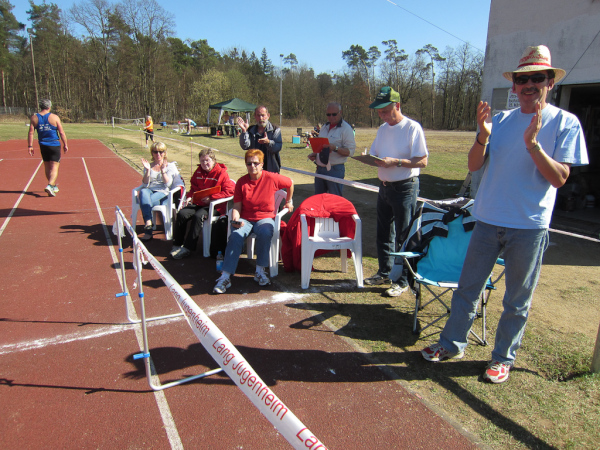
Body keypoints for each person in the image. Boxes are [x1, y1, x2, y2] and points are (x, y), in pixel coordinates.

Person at [421, 45, 588, 384]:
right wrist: (482, 136)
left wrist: (533, 144)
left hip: (529, 227)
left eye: (537, 78)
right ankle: (451, 344)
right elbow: (473, 165)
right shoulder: (499, 120)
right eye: (522, 79)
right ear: (514, 85)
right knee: (467, 289)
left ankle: (502, 359)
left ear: (550, 82)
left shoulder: (566, 122)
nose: (529, 85)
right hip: (486, 221)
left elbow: (559, 178)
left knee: (516, 300)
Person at [363, 87, 429, 297]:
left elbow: (423, 161)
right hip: (384, 187)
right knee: (383, 234)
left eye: (385, 111)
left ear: (397, 106)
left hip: (405, 188)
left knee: (404, 235)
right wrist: (371, 159)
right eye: (379, 111)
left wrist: (397, 162)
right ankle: (384, 272)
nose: (381, 115)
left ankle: (403, 280)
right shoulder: (383, 129)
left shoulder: (412, 127)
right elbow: (375, 153)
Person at [213, 149, 294, 294]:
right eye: (249, 163)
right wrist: (235, 219)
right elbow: (237, 206)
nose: (252, 166)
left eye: (256, 163)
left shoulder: (271, 178)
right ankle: (225, 276)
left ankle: (260, 271)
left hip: (265, 217)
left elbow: (290, 183)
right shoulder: (241, 182)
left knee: (265, 232)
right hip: (245, 218)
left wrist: (289, 201)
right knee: (235, 235)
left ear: (262, 164)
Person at [170, 148, 235, 259]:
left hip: (215, 206)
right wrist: (189, 196)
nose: (205, 163)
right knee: (181, 214)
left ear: (213, 160)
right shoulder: (198, 171)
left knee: (198, 216)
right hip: (199, 203)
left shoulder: (222, 173)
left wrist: (212, 198)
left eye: (207, 160)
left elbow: (229, 191)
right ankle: (177, 244)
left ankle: (188, 248)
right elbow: (193, 188)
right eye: (202, 161)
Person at [307, 102, 355, 196]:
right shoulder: (324, 127)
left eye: (334, 114)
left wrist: (335, 148)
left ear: (340, 112)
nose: (331, 117)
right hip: (320, 169)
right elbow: (321, 147)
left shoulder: (346, 129)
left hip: (335, 169)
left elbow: (351, 152)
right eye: (328, 114)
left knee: (335, 200)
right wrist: (315, 155)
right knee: (318, 199)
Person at [138, 142, 182, 241]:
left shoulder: (170, 166)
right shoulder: (149, 165)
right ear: (152, 153)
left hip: (164, 192)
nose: (158, 154)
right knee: (143, 192)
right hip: (150, 191)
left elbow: (168, 185)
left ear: (165, 153)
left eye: (161, 152)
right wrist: (147, 170)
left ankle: (148, 231)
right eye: (155, 152)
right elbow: (145, 184)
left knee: (144, 202)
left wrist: (163, 171)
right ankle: (148, 222)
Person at [27, 99, 69, 197]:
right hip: (54, 144)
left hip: (43, 145)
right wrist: (65, 144)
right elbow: (61, 132)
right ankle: (50, 185)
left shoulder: (34, 118)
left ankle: (53, 185)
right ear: (49, 107)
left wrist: (30, 146)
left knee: (46, 165)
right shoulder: (54, 117)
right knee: (54, 165)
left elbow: (31, 133)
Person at [237, 106, 283, 173]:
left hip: (271, 169)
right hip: (254, 169)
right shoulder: (251, 130)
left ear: (268, 116)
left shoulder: (275, 129)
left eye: (263, 115)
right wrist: (244, 131)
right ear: (255, 116)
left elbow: (277, 147)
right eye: (258, 115)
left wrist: (268, 142)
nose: (261, 118)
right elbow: (245, 146)